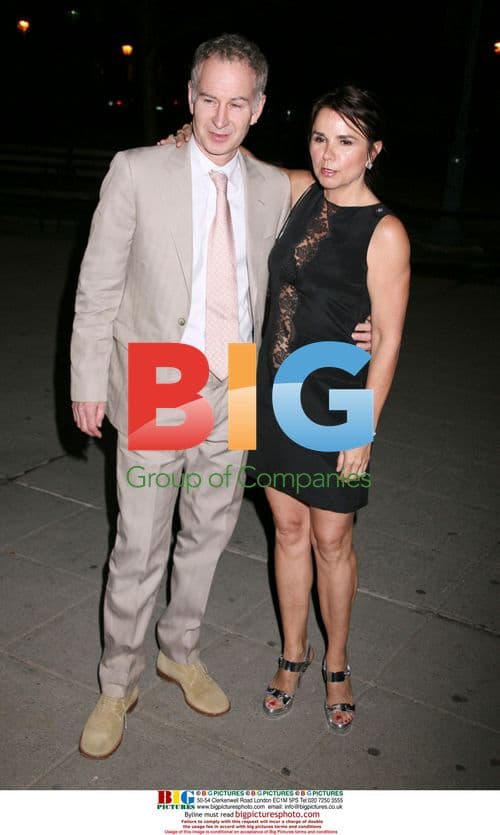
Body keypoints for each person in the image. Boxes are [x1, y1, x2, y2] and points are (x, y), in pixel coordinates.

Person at [72, 33, 373, 760]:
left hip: (237, 377)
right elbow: (97, 282)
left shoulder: (275, 184)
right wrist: (86, 379)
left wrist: (361, 323)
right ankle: (118, 681)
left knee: (208, 534)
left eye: (238, 102)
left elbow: (344, 217)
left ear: (260, 106)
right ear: (189, 96)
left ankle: (180, 649)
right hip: (159, 377)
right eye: (208, 97)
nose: (220, 116)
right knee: (140, 542)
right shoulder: (137, 171)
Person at [251, 86, 411, 732]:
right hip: (259, 384)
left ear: (373, 151)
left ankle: (336, 661)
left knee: (331, 536)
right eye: (320, 137)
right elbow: (230, 162)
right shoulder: (295, 192)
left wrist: (363, 429)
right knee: (285, 530)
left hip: (334, 393)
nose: (328, 154)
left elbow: (392, 337)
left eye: (346, 141)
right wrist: (186, 133)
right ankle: (294, 651)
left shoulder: (386, 231)